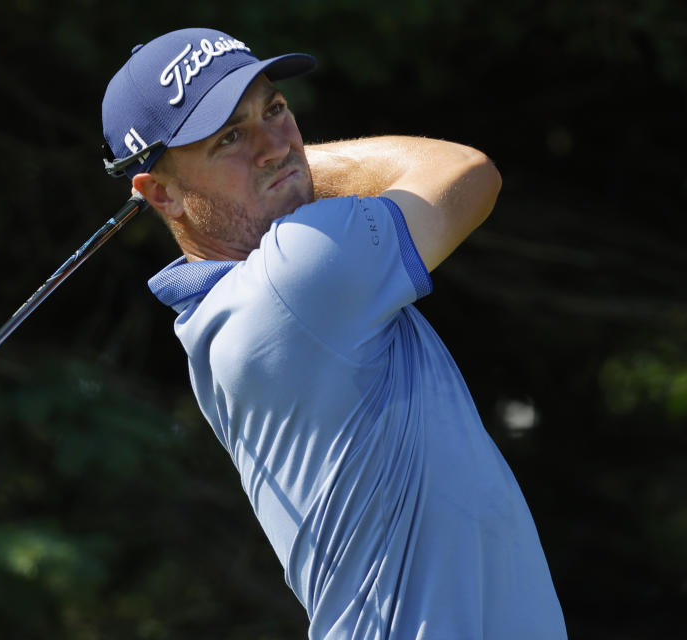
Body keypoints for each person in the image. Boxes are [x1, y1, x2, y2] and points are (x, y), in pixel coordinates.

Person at [101, 28, 567, 639]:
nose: (277, 143)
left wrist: (262, 164)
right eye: (230, 137)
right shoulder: (296, 278)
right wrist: (286, 166)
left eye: (274, 109)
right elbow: (466, 173)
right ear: (161, 194)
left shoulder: (231, 311)